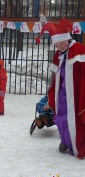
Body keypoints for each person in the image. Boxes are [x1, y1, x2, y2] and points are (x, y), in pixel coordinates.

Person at [41, 19, 85, 159]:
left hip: (76, 94)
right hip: (62, 95)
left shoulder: (80, 50)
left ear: (68, 39)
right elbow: (55, 79)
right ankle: (65, 141)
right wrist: (51, 96)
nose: (59, 47)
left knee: (76, 119)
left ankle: (75, 145)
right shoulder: (58, 55)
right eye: (57, 45)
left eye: (62, 44)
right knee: (61, 118)